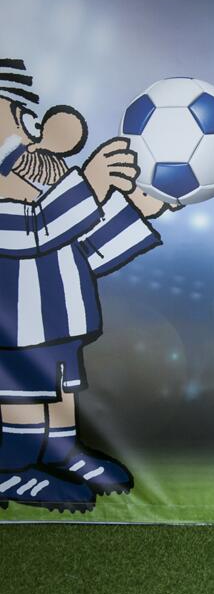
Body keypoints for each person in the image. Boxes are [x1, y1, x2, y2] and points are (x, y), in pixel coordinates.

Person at [0, 58, 170, 512]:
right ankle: (11, 469)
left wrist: (133, 209)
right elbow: (37, 231)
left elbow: (84, 251)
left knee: (58, 392)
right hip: (13, 333)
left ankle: (64, 452)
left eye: (24, 123)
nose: (29, 140)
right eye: (12, 124)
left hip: (57, 325)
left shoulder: (42, 200)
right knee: (20, 396)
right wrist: (91, 184)